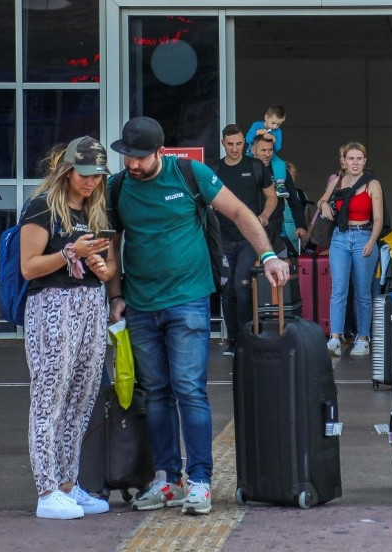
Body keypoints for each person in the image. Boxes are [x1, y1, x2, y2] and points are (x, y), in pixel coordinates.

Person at [105, 117, 290, 516]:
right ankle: (168, 480)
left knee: (189, 389)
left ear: (160, 152)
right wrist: (116, 295)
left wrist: (268, 255)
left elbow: (239, 212)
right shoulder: (118, 187)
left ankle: (200, 481)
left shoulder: (190, 174)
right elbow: (113, 244)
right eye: (127, 157)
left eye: (140, 157)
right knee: (156, 392)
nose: (132, 164)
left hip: (188, 300)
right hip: (140, 304)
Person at [19, 136, 118, 520]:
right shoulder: (43, 207)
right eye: (84, 173)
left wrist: (100, 267)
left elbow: (109, 269)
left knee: (81, 399)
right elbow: (29, 267)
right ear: (67, 170)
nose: (91, 181)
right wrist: (68, 253)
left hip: (90, 305)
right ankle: (46, 490)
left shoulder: (97, 210)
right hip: (52, 306)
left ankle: (67, 483)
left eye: (97, 175)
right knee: (49, 397)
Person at [211, 124, 278, 357]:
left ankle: (246, 338)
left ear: (244, 144)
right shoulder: (215, 169)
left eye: (239, 144)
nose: (235, 148)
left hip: (249, 238)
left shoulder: (255, 166)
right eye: (230, 144)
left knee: (242, 286)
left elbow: (271, 196)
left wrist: (265, 215)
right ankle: (233, 340)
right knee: (227, 290)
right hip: (223, 239)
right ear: (223, 144)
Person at [315, 142, 384, 356]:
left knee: (363, 292)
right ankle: (335, 338)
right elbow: (321, 200)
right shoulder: (337, 181)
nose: (355, 163)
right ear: (343, 161)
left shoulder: (372, 184)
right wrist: (324, 205)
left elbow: (379, 218)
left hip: (364, 235)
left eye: (359, 158)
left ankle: (363, 338)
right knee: (338, 290)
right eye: (351, 158)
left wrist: (372, 241)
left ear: (365, 161)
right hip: (340, 237)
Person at [251, 134, 307, 255]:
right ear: (253, 150)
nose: (267, 154)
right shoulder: (246, 170)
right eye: (263, 150)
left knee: (277, 264)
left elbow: (294, 202)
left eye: (270, 150)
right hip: (249, 228)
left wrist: (300, 225)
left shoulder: (281, 172)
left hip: (274, 229)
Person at [246, 104, 290, 198]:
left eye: (279, 124)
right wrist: (257, 132)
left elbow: (277, 148)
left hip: (270, 155)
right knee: (246, 165)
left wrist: (274, 139)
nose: (275, 126)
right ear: (266, 117)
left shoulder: (278, 131)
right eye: (273, 123)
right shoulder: (257, 125)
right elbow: (248, 139)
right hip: (251, 152)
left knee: (280, 163)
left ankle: (280, 186)